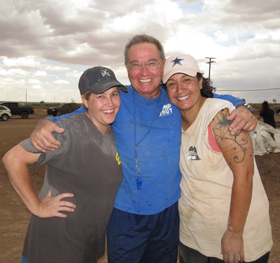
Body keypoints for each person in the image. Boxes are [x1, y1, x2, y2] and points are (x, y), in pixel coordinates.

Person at [29, 35, 257, 263]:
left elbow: (215, 97)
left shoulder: (176, 97)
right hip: (125, 214)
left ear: (163, 64)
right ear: (127, 68)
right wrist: (44, 122)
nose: (144, 72)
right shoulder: (116, 101)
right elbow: (70, 118)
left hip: (170, 211)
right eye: (135, 64)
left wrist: (241, 106)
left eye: (151, 63)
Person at [3, 66, 127, 263]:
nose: (110, 103)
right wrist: (37, 207)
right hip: (54, 249)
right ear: (85, 101)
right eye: (100, 96)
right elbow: (13, 158)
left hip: (86, 246)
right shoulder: (69, 131)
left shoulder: (111, 133)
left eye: (114, 94)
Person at [163, 54, 273, 263]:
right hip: (193, 238)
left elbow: (245, 174)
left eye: (186, 80)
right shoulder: (173, 121)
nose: (180, 89)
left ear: (200, 81)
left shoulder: (220, 116)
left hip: (234, 243)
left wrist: (234, 232)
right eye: (171, 83)